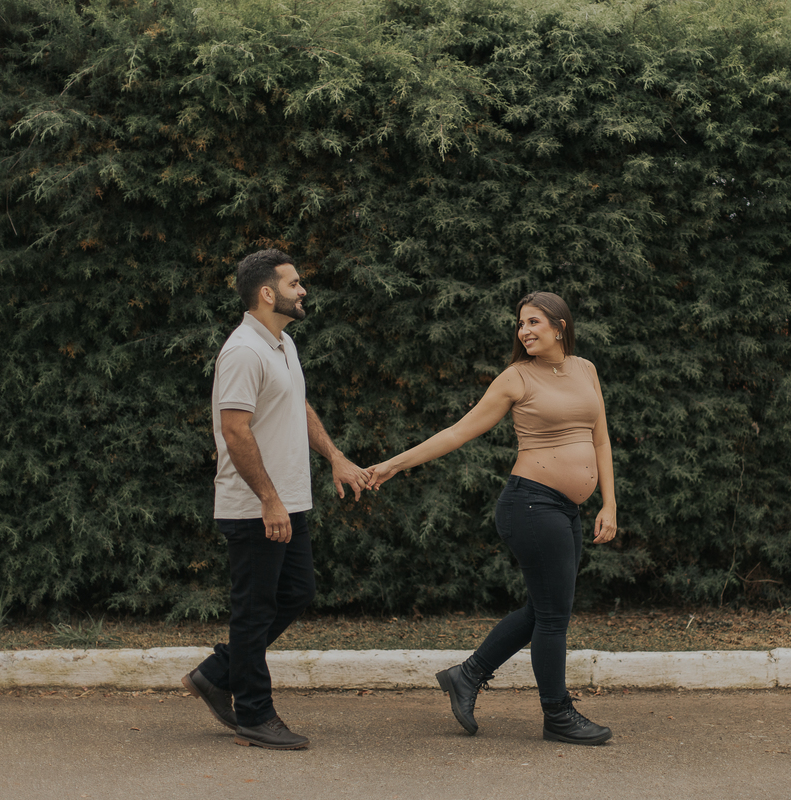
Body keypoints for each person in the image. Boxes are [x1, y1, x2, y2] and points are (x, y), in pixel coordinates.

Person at [366, 291, 617, 745]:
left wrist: (609, 503)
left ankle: (467, 674)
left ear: (560, 326)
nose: (524, 330)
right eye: (521, 323)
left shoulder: (586, 369)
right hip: (532, 505)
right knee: (553, 615)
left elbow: (600, 439)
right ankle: (557, 714)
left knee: (544, 609)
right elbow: (458, 431)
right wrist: (394, 464)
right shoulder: (516, 378)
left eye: (534, 321)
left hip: (568, 510)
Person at [181, 248, 369, 750]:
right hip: (255, 507)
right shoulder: (243, 350)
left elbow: (296, 403)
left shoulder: (282, 343)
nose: (303, 290)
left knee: (297, 592)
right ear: (267, 293)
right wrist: (268, 499)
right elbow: (234, 430)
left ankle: (217, 673)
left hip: (288, 500)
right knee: (254, 610)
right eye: (294, 283)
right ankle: (254, 715)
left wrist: (335, 456)